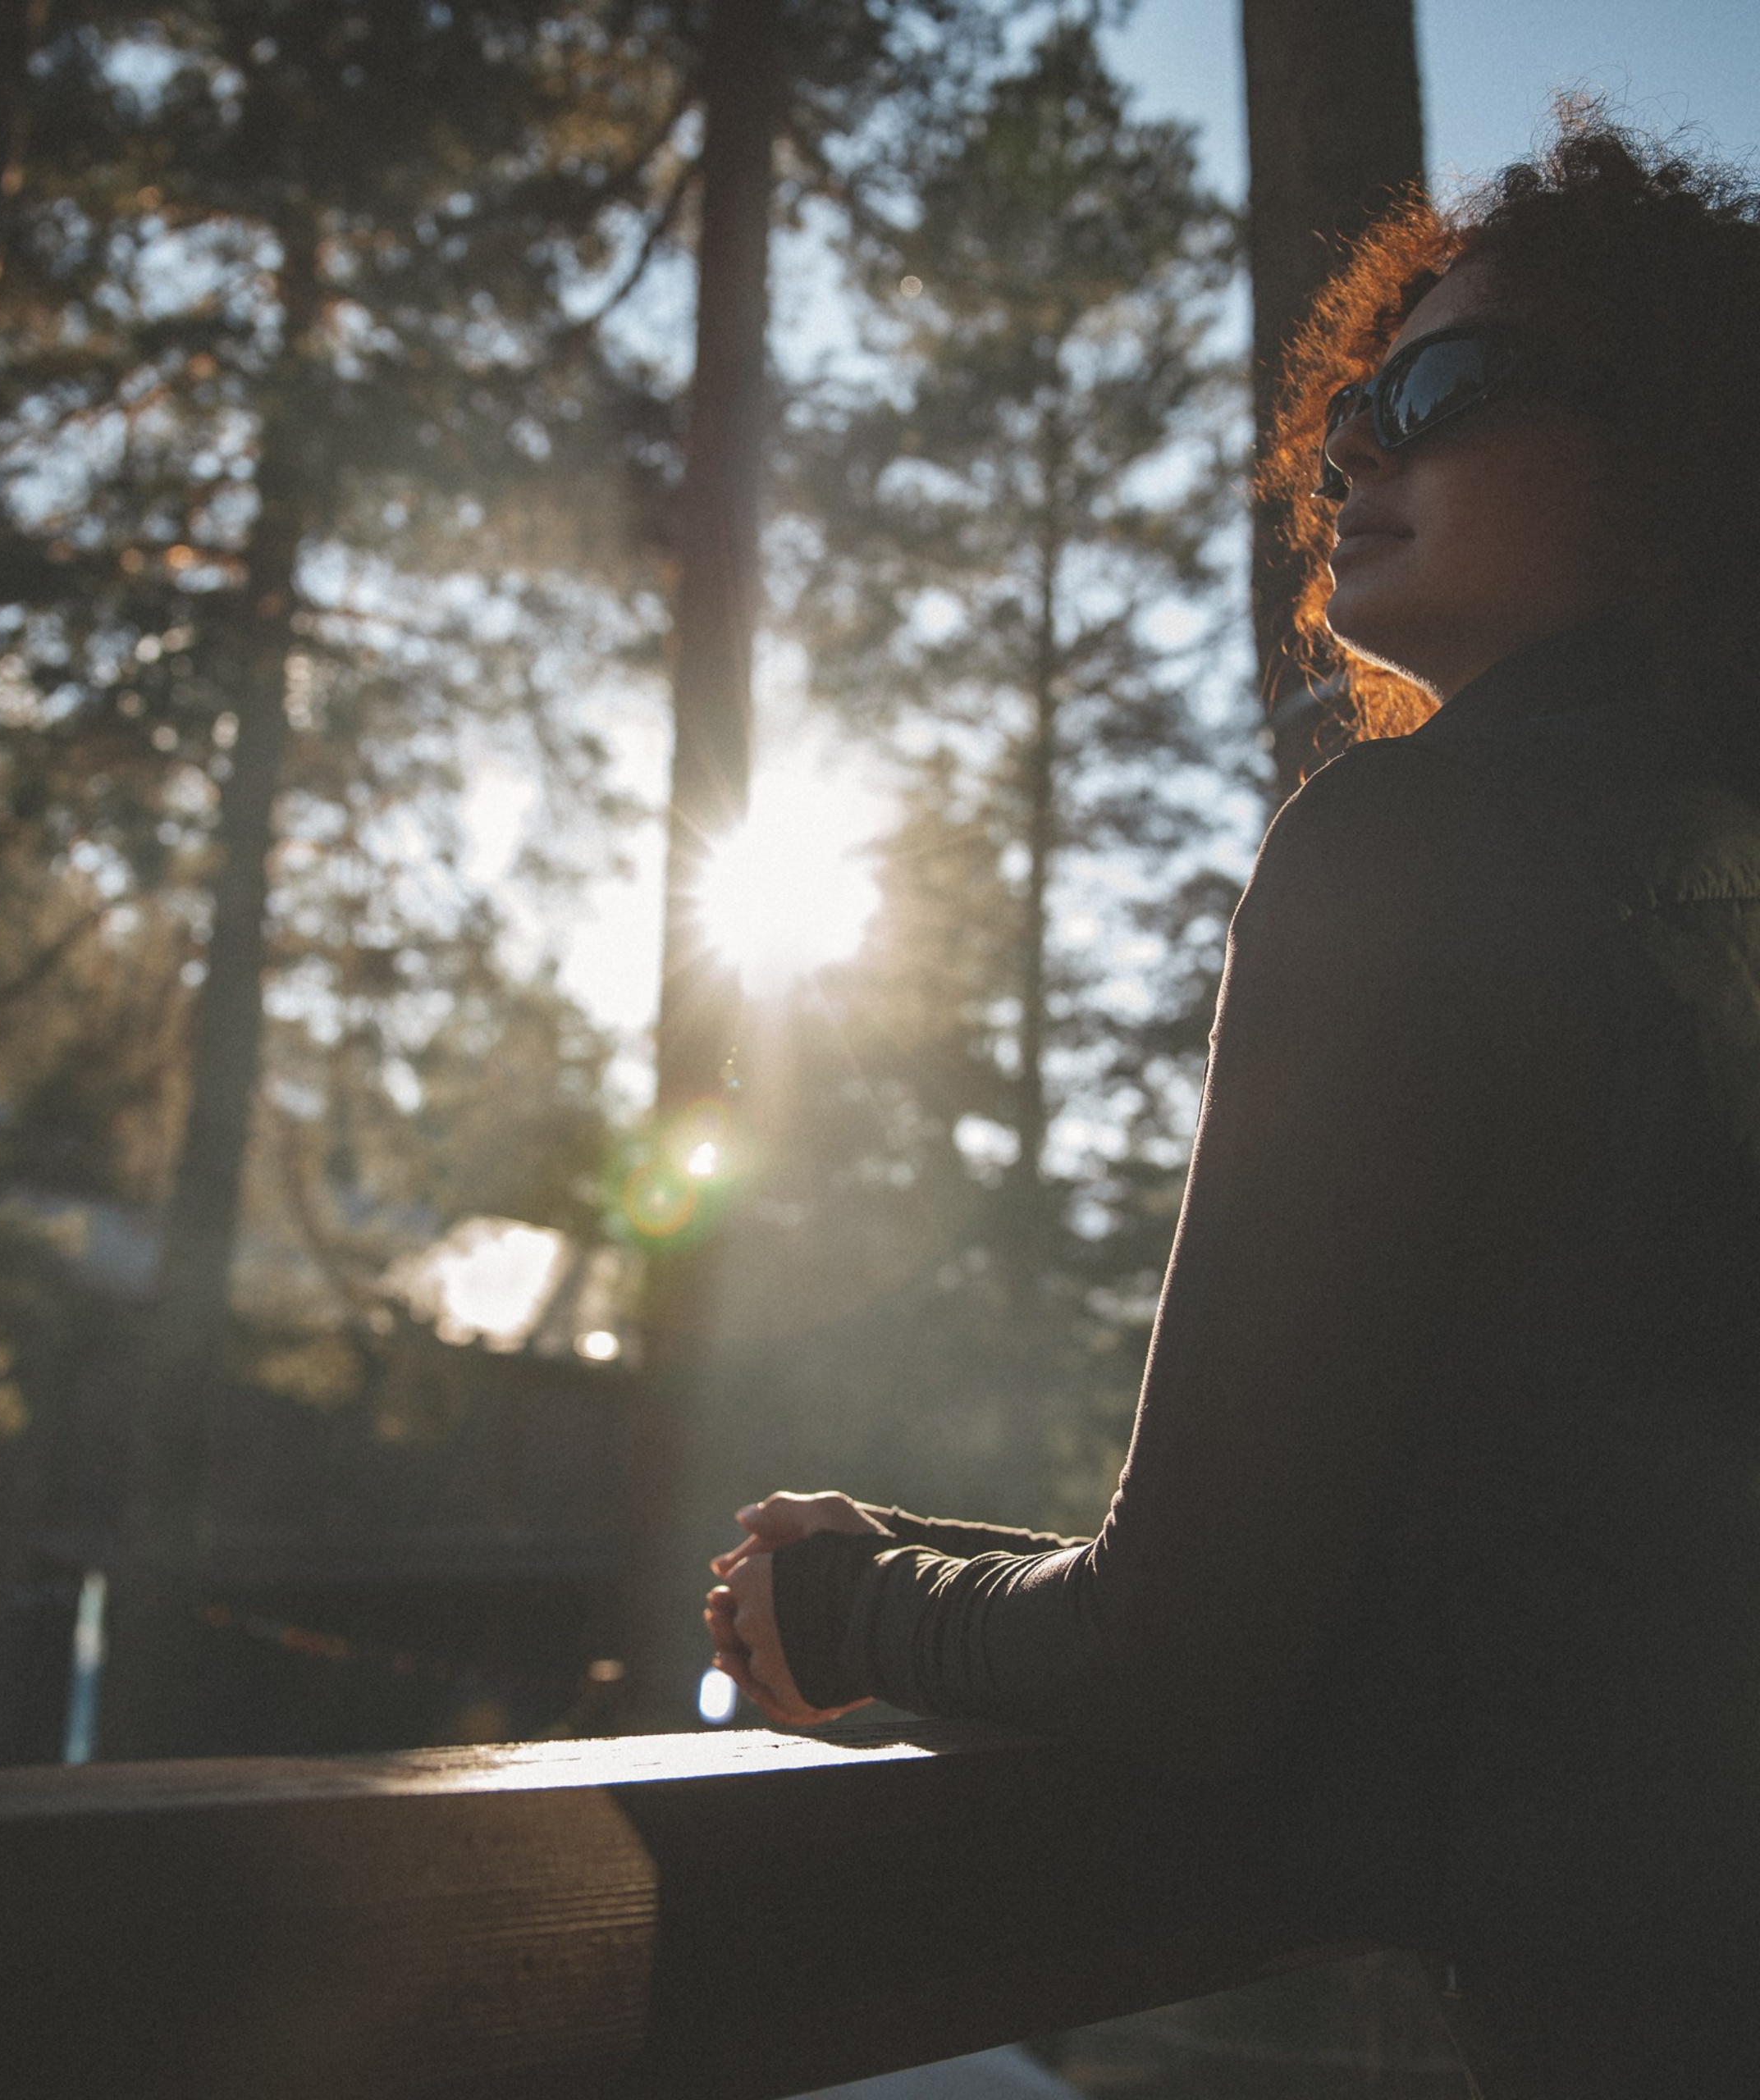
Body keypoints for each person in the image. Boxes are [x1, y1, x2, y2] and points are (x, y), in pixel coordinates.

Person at [705, 113, 1760, 2100]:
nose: (1353, 450)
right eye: (1353, 404)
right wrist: (923, 1550)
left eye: (1438, 388)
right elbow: (1463, 1601)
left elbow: (1185, 1664)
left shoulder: (1411, 842)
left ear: (1674, 444)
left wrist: (845, 1605)